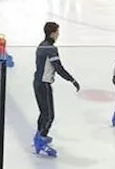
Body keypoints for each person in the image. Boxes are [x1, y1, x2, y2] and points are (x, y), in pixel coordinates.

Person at [32, 21, 80, 156]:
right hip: (44, 84)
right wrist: (72, 80)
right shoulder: (51, 49)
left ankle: (38, 135)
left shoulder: (42, 45)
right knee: (49, 115)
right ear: (52, 33)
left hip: (37, 82)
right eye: (57, 32)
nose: (59, 34)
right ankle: (40, 140)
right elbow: (58, 68)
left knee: (43, 113)